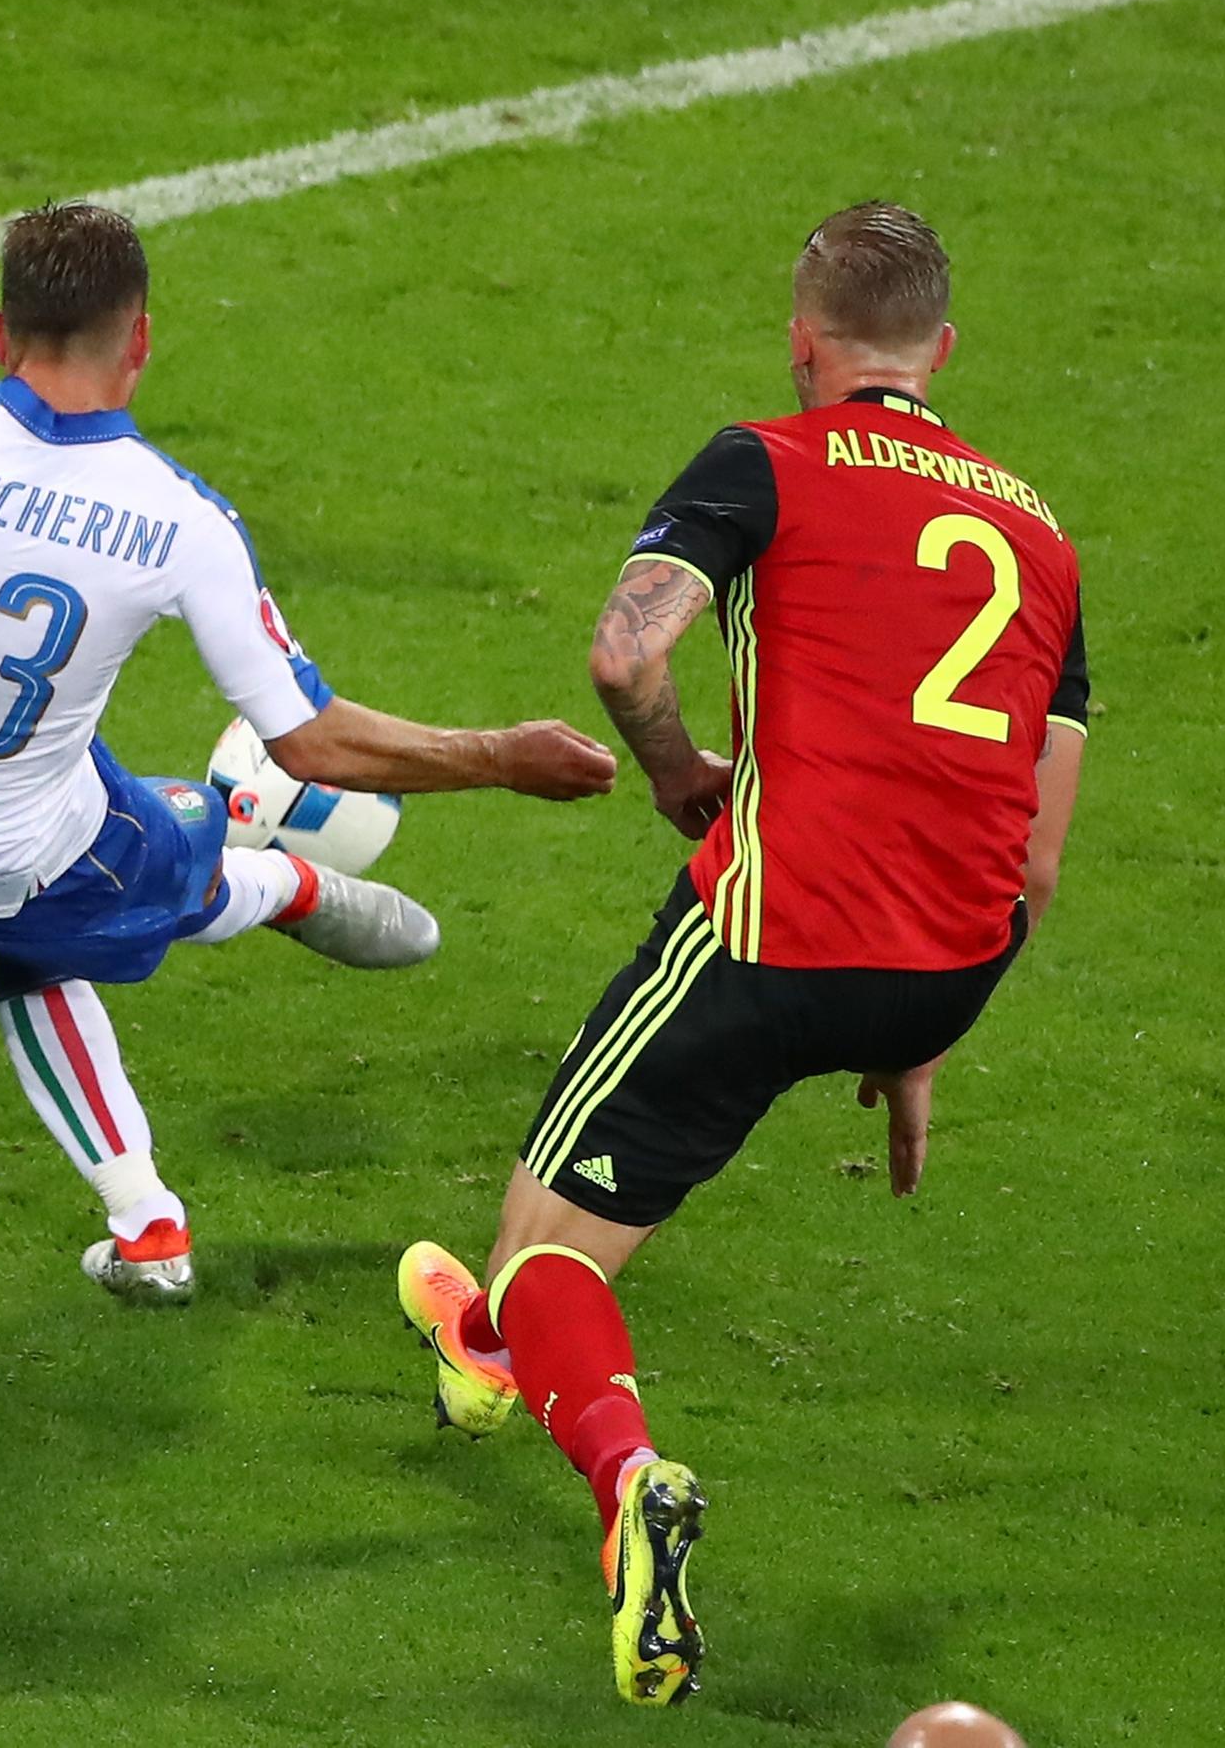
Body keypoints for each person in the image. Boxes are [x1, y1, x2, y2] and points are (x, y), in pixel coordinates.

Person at [0, 0, 617, 1298]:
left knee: (57, 892)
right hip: (5, 856)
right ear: (140, 343)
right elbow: (318, 733)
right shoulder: (176, 521)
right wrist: (501, 756)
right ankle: (275, 872)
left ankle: (147, 1227)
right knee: (165, 853)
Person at [391, 203, 1090, 1705]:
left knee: (544, 1261)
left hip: (781, 930)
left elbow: (625, 656)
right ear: (945, 353)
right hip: (951, 959)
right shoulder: (1042, 538)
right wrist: (921, 1041)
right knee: (542, 1261)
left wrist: (668, 774)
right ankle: (493, 1344)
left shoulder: (768, 458)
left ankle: (616, 1461)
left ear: (803, 340)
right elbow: (1032, 850)